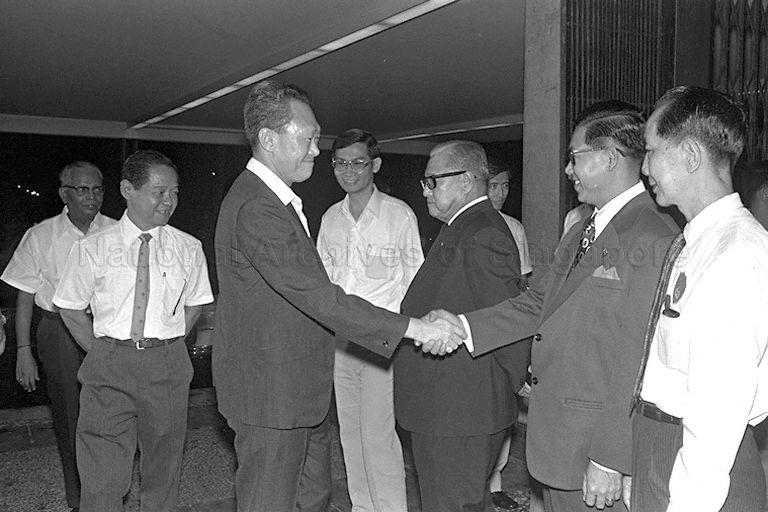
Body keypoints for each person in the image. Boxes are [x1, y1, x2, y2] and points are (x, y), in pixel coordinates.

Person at [212, 80, 464, 512]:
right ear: (269, 140)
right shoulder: (259, 208)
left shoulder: (279, 202)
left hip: (298, 390)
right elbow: (320, 297)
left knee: (314, 496)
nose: (315, 149)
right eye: (308, 138)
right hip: (272, 395)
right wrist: (416, 328)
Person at [428, 101, 680, 512]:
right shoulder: (581, 228)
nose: (568, 170)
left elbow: (640, 359)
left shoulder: (652, 235)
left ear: (608, 158)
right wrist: (461, 326)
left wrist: (609, 457)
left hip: (596, 452)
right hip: (560, 439)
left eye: (574, 158)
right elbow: (536, 304)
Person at [630, 86, 768, 512]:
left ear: (690, 155)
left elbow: (716, 413)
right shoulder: (697, 241)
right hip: (666, 450)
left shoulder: (736, 254)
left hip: (702, 473)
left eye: (652, 151)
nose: (645, 166)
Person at [52, 150, 214, 512]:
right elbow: (68, 305)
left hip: (167, 364)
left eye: (174, 192)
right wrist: (100, 350)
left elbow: (196, 303)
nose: (168, 201)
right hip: (109, 362)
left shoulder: (188, 248)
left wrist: (169, 342)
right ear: (128, 189)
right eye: (159, 192)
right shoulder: (93, 247)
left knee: (163, 468)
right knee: (102, 475)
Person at [393, 140, 529, 512]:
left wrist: (514, 385)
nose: (425, 190)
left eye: (433, 181)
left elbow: (509, 320)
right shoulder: (462, 227)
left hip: (462, 412)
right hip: (448, 409)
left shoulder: (482, 232)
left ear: (468, 181)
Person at [316, 129, 422, 512]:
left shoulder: (399, 215)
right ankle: (363, 507)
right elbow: (323, 286)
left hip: (382, 343)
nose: (349, 171)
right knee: (350, 433)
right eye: (340, 163)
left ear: (374, 165)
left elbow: (414, 283)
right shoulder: (331, 218)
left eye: (358, 162)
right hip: (342, 342)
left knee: (378, 437)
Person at [0, 161, 116, 512]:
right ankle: (80, 499)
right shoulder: (41, 235)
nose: (91, 197)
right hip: (58, 329)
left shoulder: (116, 231)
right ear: (64, 192)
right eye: (82, 189)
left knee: (113, 411)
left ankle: (110, 490)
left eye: (97, 189)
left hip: (106, 329)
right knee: (70, 415)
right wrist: (23, 350)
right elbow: (24, 294)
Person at [487, 163, 532, 288]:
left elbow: (522, 279)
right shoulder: (465, 223)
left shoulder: (515, 227)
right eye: (493, 186)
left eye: (505, 186)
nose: (500, 194)